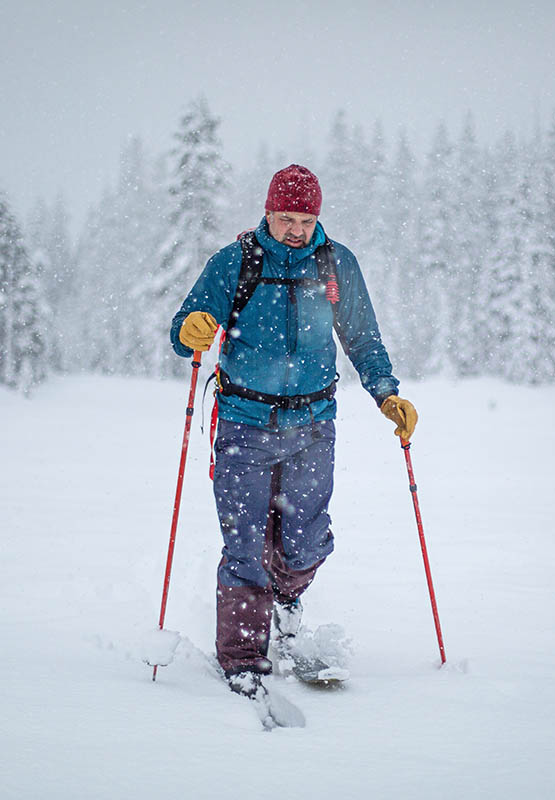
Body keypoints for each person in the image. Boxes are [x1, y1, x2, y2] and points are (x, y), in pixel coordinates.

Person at [170, 164, 417, 698]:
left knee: (305, 542)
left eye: (304, 219)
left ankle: (286, 603)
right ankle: (242, 659)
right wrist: (191, 329)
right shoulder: (236, 261)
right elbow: (187, 325)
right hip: (242, 425)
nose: (294, 230)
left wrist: (386, 392)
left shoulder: (335, 264)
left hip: (312, 427)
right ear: (267, 212)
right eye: (285, 218)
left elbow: (364, 340)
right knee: (244, 549)